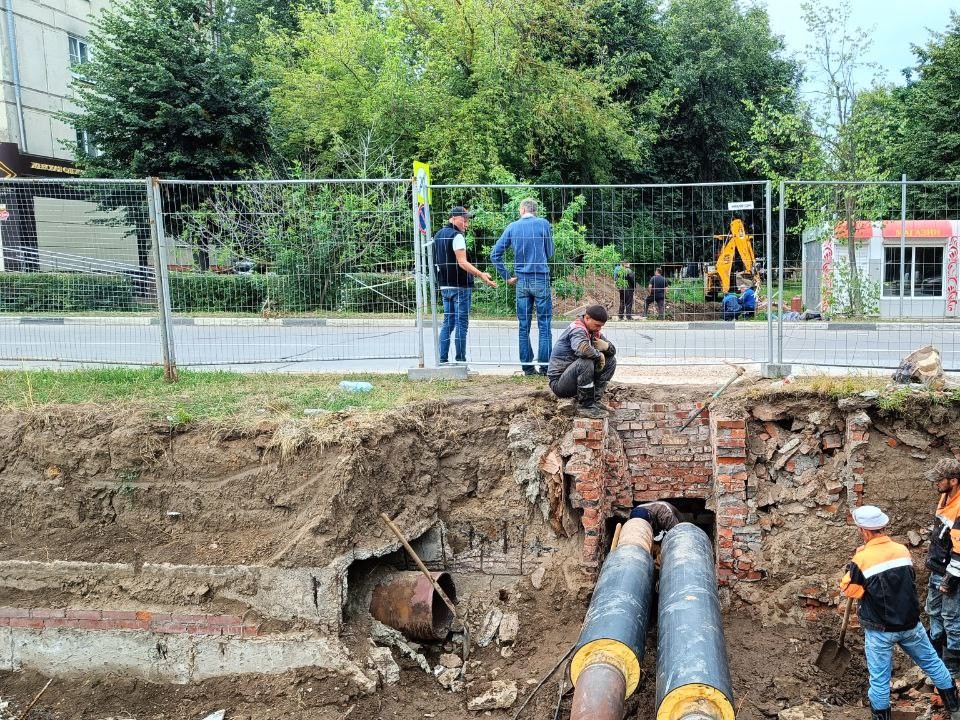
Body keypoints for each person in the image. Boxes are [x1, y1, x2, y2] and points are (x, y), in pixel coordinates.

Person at [840, 505, 960, 720]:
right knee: (933, 663)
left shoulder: (862, 560)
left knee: (879, 680)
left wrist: (852, 565)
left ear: (864, 531)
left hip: (880, 630)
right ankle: (955, 709)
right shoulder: (902, 550)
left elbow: (852, 591)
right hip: (911, 625)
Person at [490, 198, 555, 376]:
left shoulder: (513, 227)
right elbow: (550, 252)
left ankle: (527, 367)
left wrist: (507, 276)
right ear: (534, 210)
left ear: (522, 209)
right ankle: (545, 367)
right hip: (541, 278)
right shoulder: (543, 224)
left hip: (521, 281)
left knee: (523, 325)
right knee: (544, 324)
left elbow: (495, 254)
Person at [434, 206, 498, 364]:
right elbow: (462, 262)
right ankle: (460, 361)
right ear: (454, 218)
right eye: (464, 219)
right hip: (460, 286)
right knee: (462, 323)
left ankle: (442, 361)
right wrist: (481, 275)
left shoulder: (438, 235)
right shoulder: (457, 236)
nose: (466, 224)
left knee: (447, 323)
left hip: (444, 285)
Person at [546, 304, 616, 419]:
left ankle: (595, 400)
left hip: (574, 378)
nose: (599, 329)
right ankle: (586, 406)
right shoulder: (578, 329)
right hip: (560, 383)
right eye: (597, 325)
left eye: (601, 326)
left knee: (611, 361)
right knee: (585, 362)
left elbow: (613, 351)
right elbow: (582, 350)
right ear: (587, 318)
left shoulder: (593, 331)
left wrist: (607, 347)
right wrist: (599, 355)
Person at [926, 458, 960, 677]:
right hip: (937, 568)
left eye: (940, 479)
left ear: (954, 480)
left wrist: (951, 578)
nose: (936, 483)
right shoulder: (945, 496)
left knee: (951, 619)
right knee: (933, 612)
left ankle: (953, 671)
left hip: (951, 572)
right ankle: (936, 664)